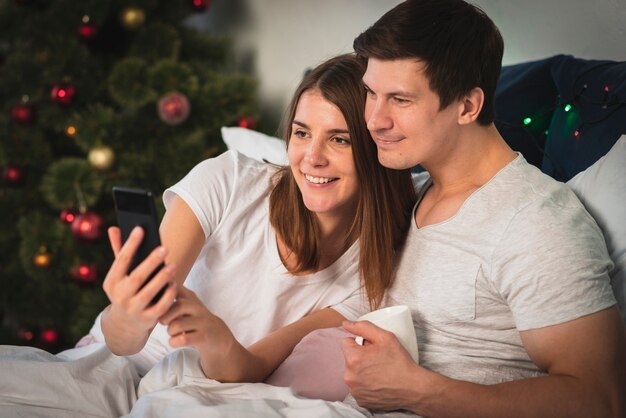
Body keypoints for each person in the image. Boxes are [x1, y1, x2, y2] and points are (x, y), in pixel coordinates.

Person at [340, 1, 626, 417]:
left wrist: (415, 391)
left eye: (400, 100)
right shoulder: (412, 193)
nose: (374, 120)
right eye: (371, 92)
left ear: (468, 106)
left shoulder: (535, 222)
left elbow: (601, 400)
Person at [99, 53, 417, 383]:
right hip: (122, 368)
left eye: (339, 139)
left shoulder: (370, 274)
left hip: (206, 383)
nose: (311, 158)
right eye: (302, 133)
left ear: (377, 150)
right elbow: (121, 343)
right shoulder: (227, 181)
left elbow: (248, 368)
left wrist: (216, 339)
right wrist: (128, 316)